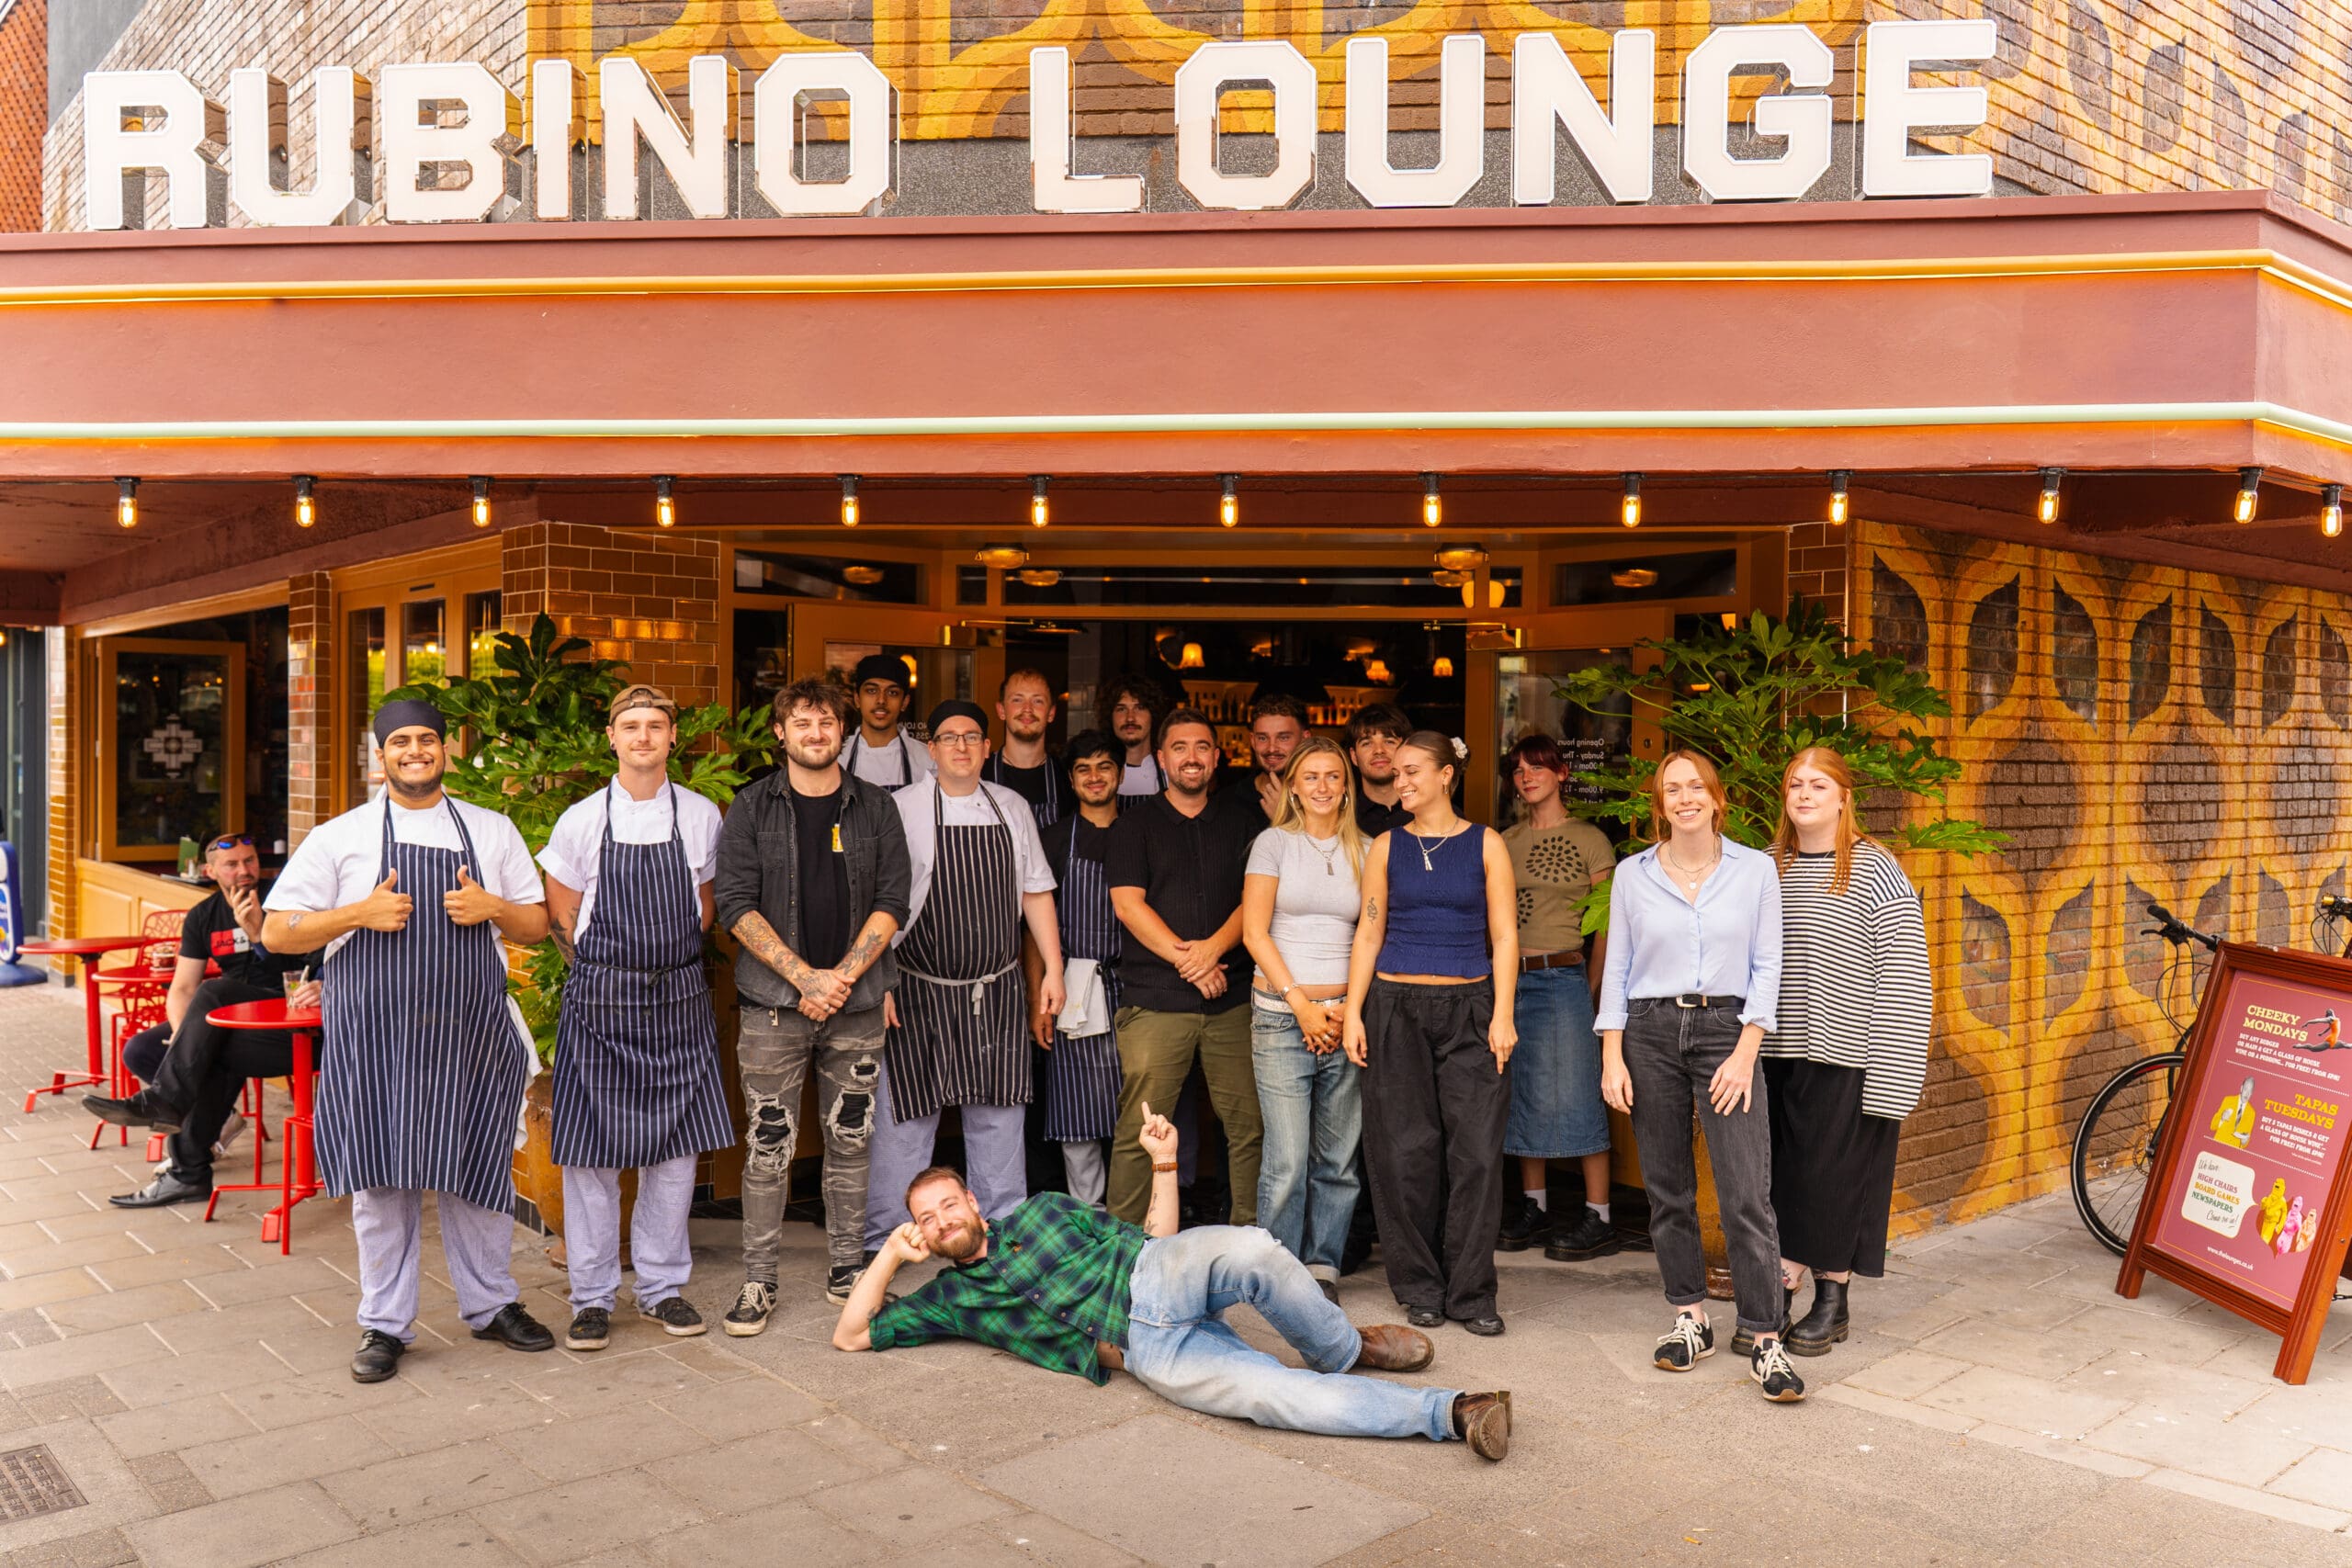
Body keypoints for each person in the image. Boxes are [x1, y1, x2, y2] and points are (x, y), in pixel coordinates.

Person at [830, 1105, 1511, 1461]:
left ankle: (1342, 1347)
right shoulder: (952, 1300)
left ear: (974, 1202)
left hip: (1154, 1274)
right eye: (926, 1218)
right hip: (1147, 1353)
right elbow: (851, 1334)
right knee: (1275, 1396)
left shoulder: (1042, 1209)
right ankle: (1456, 1412)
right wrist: (890, 1253)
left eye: (950, 1204)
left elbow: (1154, 1241)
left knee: (1254, 1248)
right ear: (924, 1235)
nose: (943, 1219)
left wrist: (1166, 1163)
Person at [259, 700, 554, 1383]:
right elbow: (277, 931)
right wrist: (359, 913)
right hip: (377, 1038)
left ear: (446, 750)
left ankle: (492, 1304)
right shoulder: (342, 836)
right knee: (381, 1180)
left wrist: (494, 909)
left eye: (427, 739)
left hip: (469, 1035)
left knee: (477, 1170)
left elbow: (537, 923)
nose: (415, 750)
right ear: (380, 755)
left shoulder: (491, 828)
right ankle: (384, 1323)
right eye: (401, 741)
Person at [1595, 750, 1802, 1402]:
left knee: (1745, 1189)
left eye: (1696, 787)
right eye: (1672, 789)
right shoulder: (1633, 875)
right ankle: (1689, 1318)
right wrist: (1611, 1054)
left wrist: (1746, 1050)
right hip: (1650, 1030)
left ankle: (1766, 1340)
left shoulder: (1756, 869)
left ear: (1717, 798)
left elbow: (1769, 963)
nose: (1685, 798)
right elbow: (1618, 969)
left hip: (1726, 1030)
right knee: (1667, 1188)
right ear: (1660, 802)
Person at [537, 685, 736, 1350]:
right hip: (601, 1000)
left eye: (655, 724)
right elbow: (562, 911)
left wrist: (661, 968)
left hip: (678, 998)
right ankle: (592, 1297)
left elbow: (705, 906)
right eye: (631, 725)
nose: (643, 736)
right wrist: (606, 978)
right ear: (612, 738)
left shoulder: (703, 814)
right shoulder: (582, 819)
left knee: (675, 1155)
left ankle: (661, 1288)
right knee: (590, 1158)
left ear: (674, 736)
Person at [713, 676, 912, 1329]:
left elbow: (893, 900)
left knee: (851, 1137)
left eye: (827, 723)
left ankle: (848, 1268)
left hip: (855, 1008)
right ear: (781, 732)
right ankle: (759, 1279)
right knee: (769, 1141)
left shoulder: (876, 807)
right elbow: (733, 905)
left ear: (842, 731)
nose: (816, 734)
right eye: (803, 723)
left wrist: (843, 980)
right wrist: (805, 978)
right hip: (773, 1004)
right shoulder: (749, 808)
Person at [863, 700, 1068, 1250]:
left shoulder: (1012, 807)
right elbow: (875, 902)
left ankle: (1001, 1238)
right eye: (949, 736)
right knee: (904, 1122)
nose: (960, 746)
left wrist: (1053, 969)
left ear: (985, 747)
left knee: (999, 1121)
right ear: (931, 749)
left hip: (995, 990)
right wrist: (878, 979)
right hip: (915, 988)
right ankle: (889, 1238)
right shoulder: (901, 808)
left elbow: (1036, 891)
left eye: (971, 737)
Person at [1342, 733, 1518, 1337]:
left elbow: (1504, 936)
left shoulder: (1486, 843)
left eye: (1413, 771)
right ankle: (1419, 1287)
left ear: (1448, 774)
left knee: (1475, 1154)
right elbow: (1368, 931)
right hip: (1395, 1007)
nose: (1401, 782)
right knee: (1404, 1152)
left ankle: (1471, 1292)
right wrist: (1352, 1013)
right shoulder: (1385, 845)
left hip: (1470, 1007)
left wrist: (1503, 1012)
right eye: (1396, 775)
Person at [1762, 747, 1932, 1358]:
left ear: (1842, 797)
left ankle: (1831, 1300)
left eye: (1818, 784)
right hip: (1773, 1050)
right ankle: (1777, 1289)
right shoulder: (1766, 868)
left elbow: (1906, 977)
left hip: (1849, 1053)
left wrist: (1895, 1075)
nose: (1804, 794)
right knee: (1779, 1175)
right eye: (1795, 784)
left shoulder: (1876, 869)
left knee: (1833, 1179)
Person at [85, 830, 309, 1202]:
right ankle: (189, 1159)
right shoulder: (204, 916)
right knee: (142, 1050)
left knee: (214, 1000)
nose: (244, 871)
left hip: (286, 1021)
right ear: (210, 870)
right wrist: (182, 1034)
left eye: (250, 861)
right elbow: (183, 987)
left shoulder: (285, 900)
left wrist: (257, 931)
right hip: (231, 1022)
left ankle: (177, 1139)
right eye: (232, 864)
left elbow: (303, 963)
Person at [1105, 707, 1262, 1226]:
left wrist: (1211, 952)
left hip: (1233, 1000)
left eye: (1201, 747)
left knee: (1248, 1128)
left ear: (1218, 757)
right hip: (1154, 1001)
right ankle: (1122, 1250)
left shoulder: (1245, 823)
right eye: (1179, 747)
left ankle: (1250, 1245)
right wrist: (1193, 963)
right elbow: (1129, 905)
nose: (1191, 757)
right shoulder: (1134, 825)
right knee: (1140, 1129)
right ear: (1160, 758)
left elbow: (1258, 900)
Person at [1240, 737, 1366, 1300]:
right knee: (1287, 1159)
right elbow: (1253, 932)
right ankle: (1278, 1272)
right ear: (1292, 785)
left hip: (1345, 1019)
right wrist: (1302, 1005)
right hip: (1281, 1014)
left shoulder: (1367, 848)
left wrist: (1347, 1011)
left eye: (1332, 776)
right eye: (1309, 776)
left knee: (1337, 1159)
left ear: (1346, 785)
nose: (1321, 786)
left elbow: (1370, 935)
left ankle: (1323, 1267)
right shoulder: (1272, 844)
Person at [1494, 734, 1623, 1263]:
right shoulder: (1503, 841)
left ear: (1561, 773)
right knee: (1521, 1092)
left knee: (1578, 1094)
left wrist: (1593, 988)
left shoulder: (1591, 840)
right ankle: (1535, 1206)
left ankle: (1600, 1215)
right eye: (1519, 769)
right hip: (1512, 980)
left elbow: (1607, 926)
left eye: (1538, 767)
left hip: (1565, 975)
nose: (1527, 776)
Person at [1033, 731, 1127, 1205]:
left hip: (1135, 984)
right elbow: (1032, 928)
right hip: (1072, 986)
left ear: (1121, 774)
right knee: (1077, 1111)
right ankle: (1089, 1216)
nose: (1095, 777)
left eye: (1105, 766)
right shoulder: (1053, 839)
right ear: (1071, 780)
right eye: (1084, 769)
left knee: (1137, 1107)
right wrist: (1039, 999)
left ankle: (1135, 1220)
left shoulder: (1142, 830)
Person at [982, 668, 1065, 827]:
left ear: (1051, 713)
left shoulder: (1066, 776)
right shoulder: (980, 774)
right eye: (1017, 700)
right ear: (1001, 711)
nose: (1027, 709)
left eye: (1038, 701)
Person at [842, 653, 933, 792]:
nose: (881, 700)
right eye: (872, 691)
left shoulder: (928, 760)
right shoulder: (837, 757)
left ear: (904, 702)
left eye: (892, 693)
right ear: (857, 699)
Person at [1240, 693, 1310, 828]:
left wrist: (1284, 819)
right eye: (1262, 738)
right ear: (1252, 740)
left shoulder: (1322, 798)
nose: (1271, 748)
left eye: (1283, 738)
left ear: (1305, 739)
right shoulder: (1228, 801)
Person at [1347, 703, 1413, 837]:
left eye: (1389, 741)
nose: (1379, 750)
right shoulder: (1341, 818)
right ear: (1354, 756)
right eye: (1367, 743)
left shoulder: (1433, 812)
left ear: (1406, 750)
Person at [1102, 675, 1168, 797]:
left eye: (1139, 708)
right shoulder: (1097, 777)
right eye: (1121, 709)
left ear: (1153, 715)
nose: (1130, 718)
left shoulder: (1171, 774)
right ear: (1110, 717)